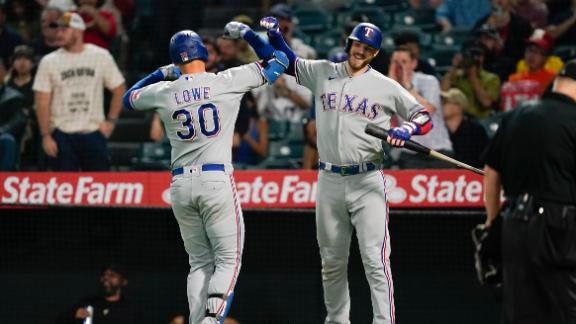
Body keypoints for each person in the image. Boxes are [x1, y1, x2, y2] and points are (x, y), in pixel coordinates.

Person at [258, 17, 433, 323]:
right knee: (332, 262)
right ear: (349, 43)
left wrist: (406, 128)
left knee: (376, 261)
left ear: (375, 53)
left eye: (368, 48)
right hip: (329, 180)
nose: (361, 50)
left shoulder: (385, 86)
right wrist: (274, 34)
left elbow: (423, 116)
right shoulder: (323, 71)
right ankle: (337, 320)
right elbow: (288, 62)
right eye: (357, 44)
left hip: (367, 179)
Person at [122, 26, 288, 323]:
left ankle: (199, 320)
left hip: (181, 184)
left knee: (199, 262)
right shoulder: (225, 80)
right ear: (204, 52)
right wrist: (248, 34)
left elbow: (128, 97)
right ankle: (213, 319)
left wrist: (162, 72)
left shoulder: (164, 90)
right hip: (215, 180)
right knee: (227, 259)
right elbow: (278, 63)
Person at [483, 59, 576, 324]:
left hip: (513, 225)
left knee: (519, 311)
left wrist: (492, 223)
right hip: (560, 228)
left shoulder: (516, 115)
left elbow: (491, 173)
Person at [33, 12, 125, 171]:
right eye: (58, 30)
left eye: (64, 30)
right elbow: (42, 101)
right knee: (65, 190)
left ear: (78, 30)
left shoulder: (100, 56)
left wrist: (111, 121)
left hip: (94, 131)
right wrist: (46, 136)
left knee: (99, 188)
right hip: (62, 133)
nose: (59, 34)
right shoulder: (49, 61)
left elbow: (119, 89)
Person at [388, 45, 453, 169]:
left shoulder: (429, 81)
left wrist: (408, 87)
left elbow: (427, 111)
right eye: (395, 62)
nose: (399, 66)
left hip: (438, 151)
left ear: (413, 64)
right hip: (410, 152)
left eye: (404, 62)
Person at [55, 264, 140, 324]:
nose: (106, 278)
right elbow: (60, 320)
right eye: (104, 275)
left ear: (124, 282)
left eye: (112, 275)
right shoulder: (89, 302)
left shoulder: (130, 309)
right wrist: (73, 315)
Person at [441, 43, 501, 118]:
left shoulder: (492, 78)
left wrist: (473, 77)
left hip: (481, 120)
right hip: (459, 119)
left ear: (482, 58)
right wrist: (454, 66)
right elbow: (443, 92)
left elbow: (486, 103)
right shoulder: (457, 76)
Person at [442, 88, 489, 168]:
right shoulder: (438, 130)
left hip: (471, 176)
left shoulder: (475, 130)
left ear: (458, 106)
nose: (441, 106)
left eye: (445, 103)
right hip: (442, 176)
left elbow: (485, 158)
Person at [508, 29, 559, 95]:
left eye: (537, 52)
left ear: (546, 58)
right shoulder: (514, 79)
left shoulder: (553, 80)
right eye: (530, 50)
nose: (532, 55)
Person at [0, 58, 28, 171]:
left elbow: (19, 119)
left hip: (2, 134)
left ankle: (3, 181)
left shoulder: (14, 96)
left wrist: (1, 130)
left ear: (4, 73)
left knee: (8, 140)